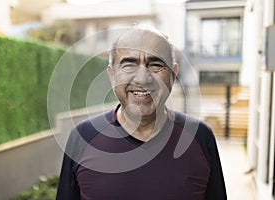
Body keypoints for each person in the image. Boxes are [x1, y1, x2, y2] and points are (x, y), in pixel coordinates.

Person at [56, 26, 227, 200]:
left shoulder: (199, 136)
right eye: (129, 65)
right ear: (111, 74)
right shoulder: (83, 137)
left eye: (156, 65)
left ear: (173, 75)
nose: (142, 79)